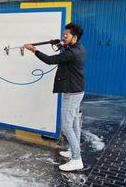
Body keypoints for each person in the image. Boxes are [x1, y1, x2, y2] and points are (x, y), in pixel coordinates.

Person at [24, 23, 86, 171]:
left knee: (66, 125)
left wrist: (35, 51)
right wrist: (62, 45)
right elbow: (67, 54)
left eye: (66, 36)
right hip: (77, 91)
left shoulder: (72, 52)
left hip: (72, 93)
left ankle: (77, 159)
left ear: (75, 37)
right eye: (63, 35)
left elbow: (51, 60)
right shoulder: (78, 48)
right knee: (74, 124)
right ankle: (74, 150)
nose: (63, 37)